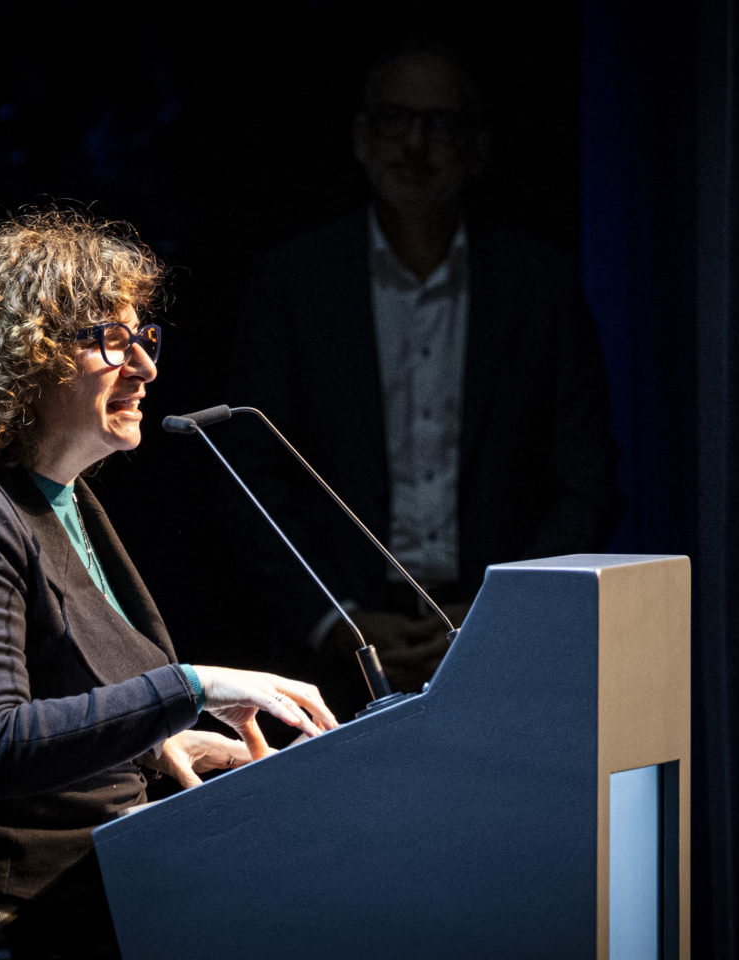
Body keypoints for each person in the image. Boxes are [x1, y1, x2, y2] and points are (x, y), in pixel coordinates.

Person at [0, 211, 337, 960]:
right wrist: (193, 687)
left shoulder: (56, 500)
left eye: (143, 338)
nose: (144, 367)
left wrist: (156, 743)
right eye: (110, 339)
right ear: (22, 359)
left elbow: (55, 704)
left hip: (54, 907)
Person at [227, 45, 621, 705]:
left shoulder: (539, 287)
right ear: (361, 137)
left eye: (440, 125)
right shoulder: (293, 283)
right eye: (394, 120)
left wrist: (502, 610)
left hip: (505, 642)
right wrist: (337, 621)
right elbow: (247, 475)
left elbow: (587, 482)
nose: (414, 144)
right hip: (333, 651)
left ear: (477, 148)